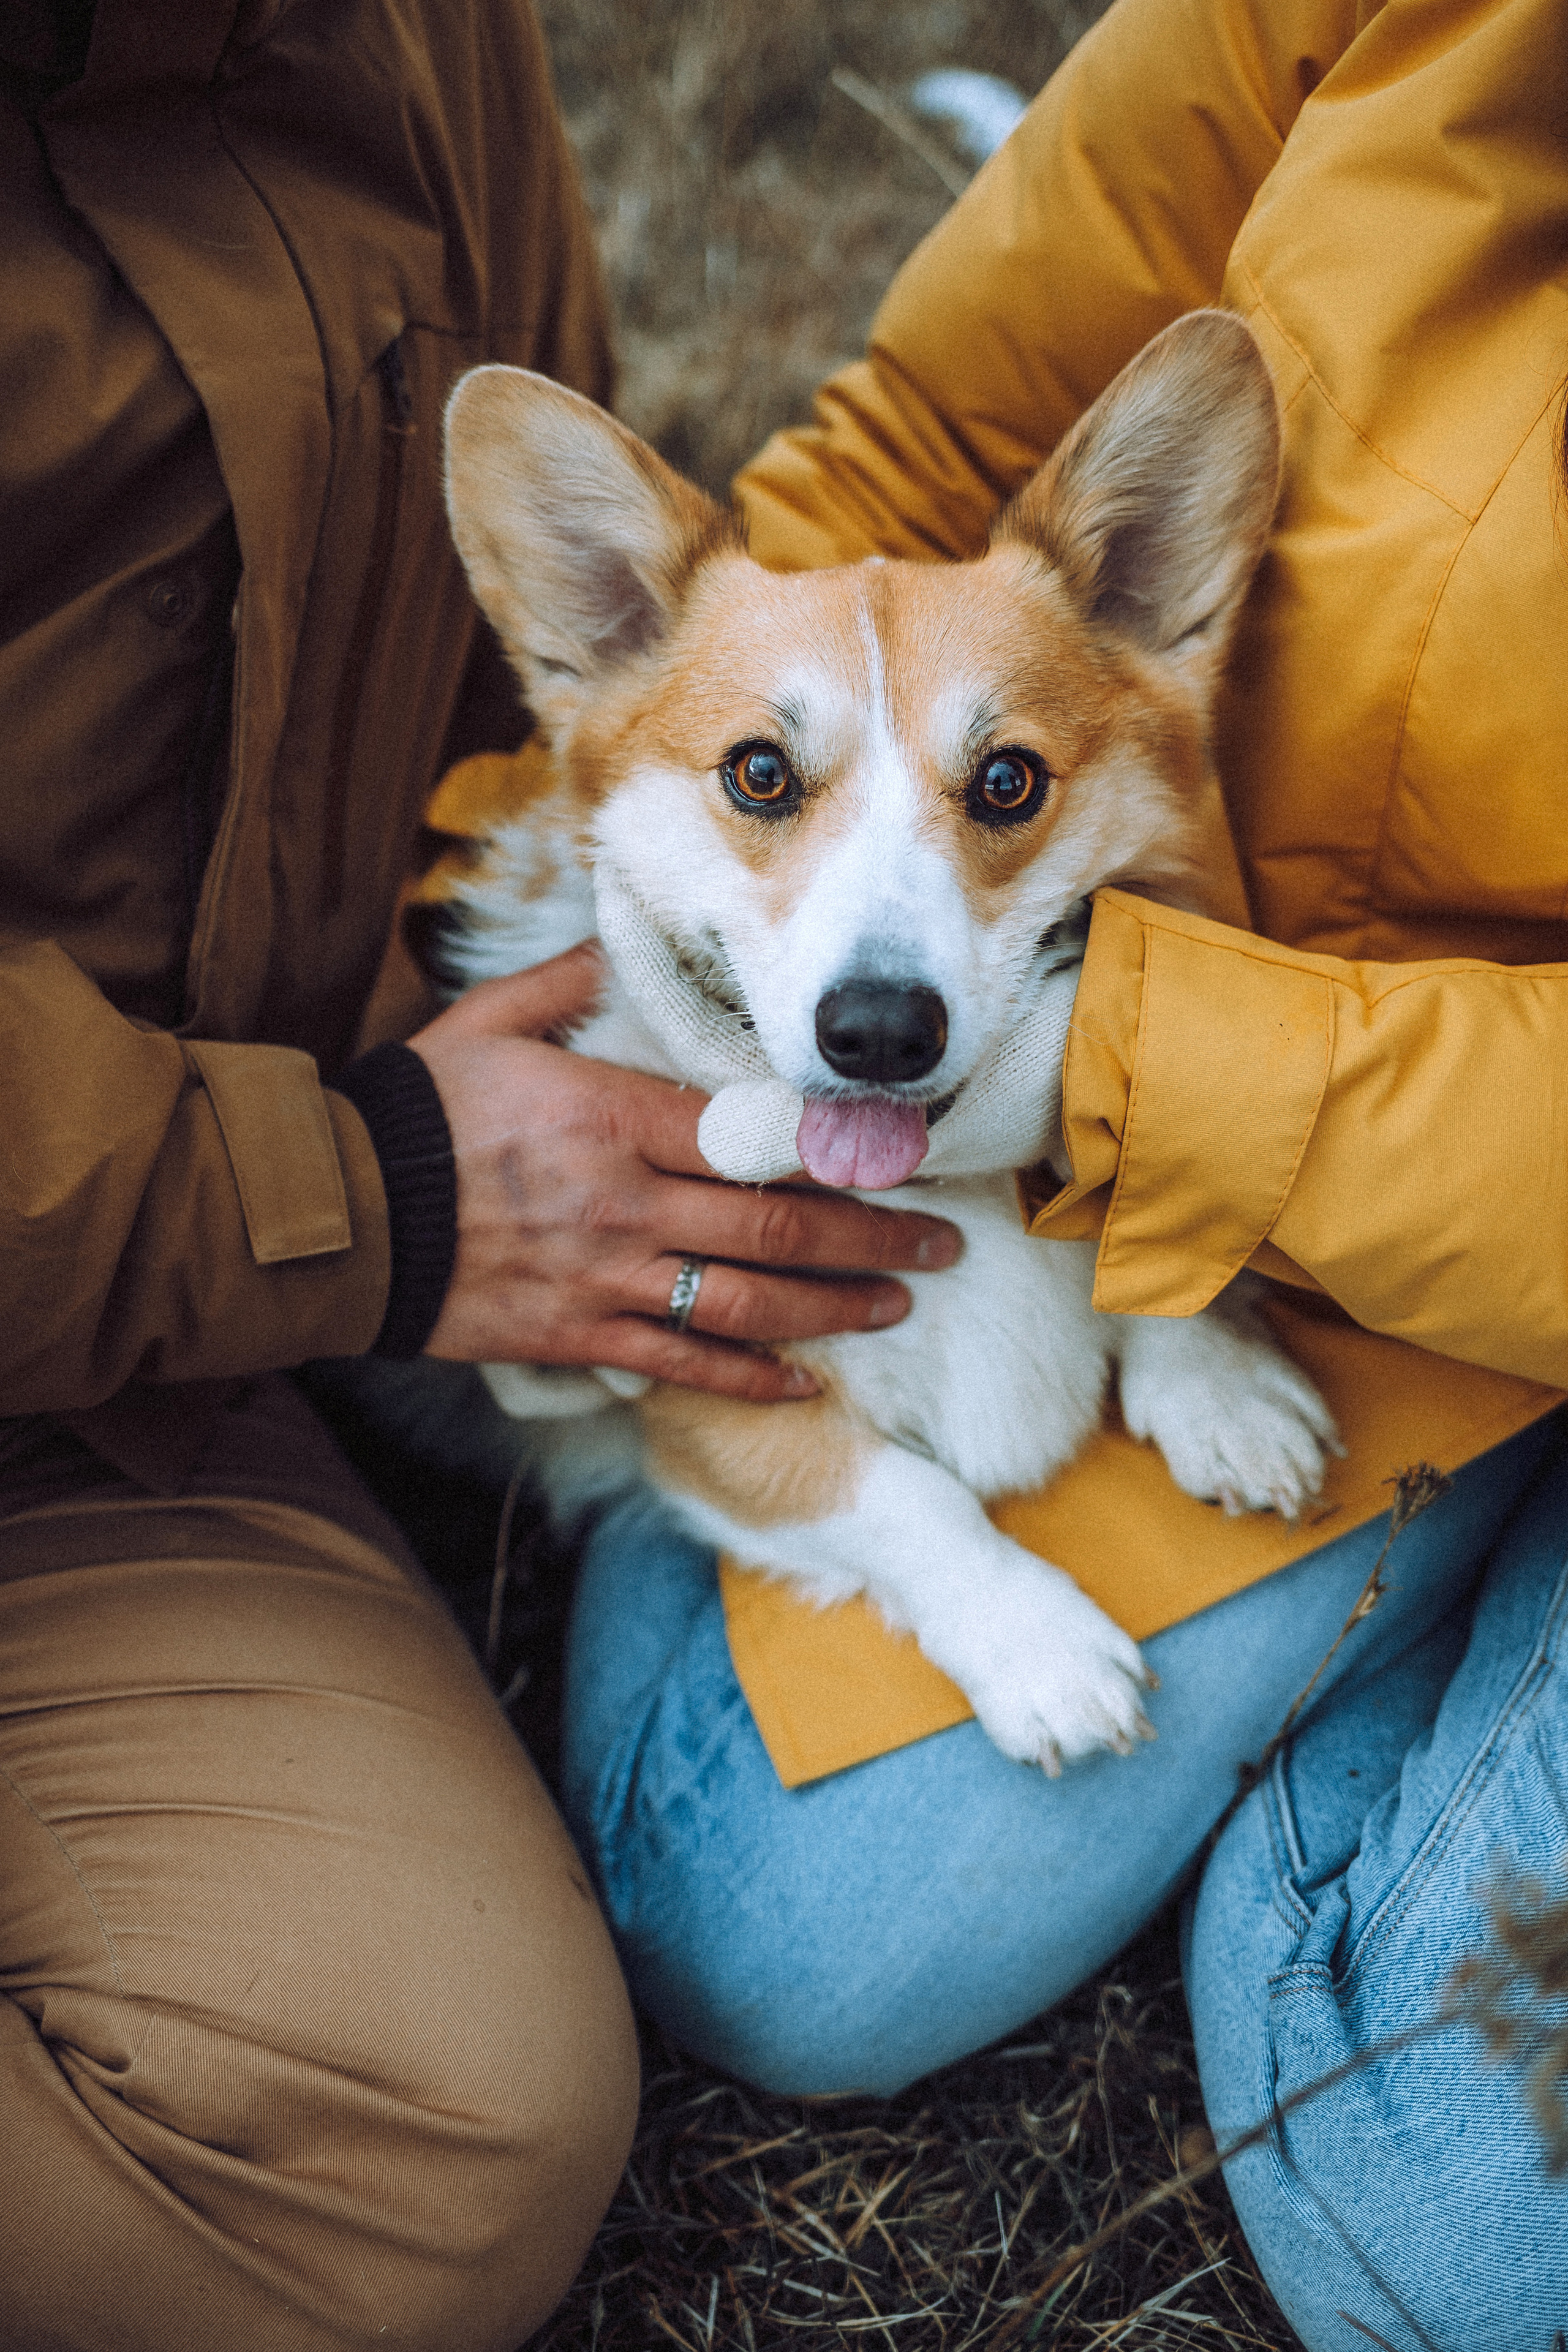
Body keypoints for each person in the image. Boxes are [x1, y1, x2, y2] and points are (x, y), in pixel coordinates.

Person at [553, 0, 1568, 2345]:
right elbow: (920, 438)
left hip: (1240, 1153)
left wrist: (1164, 1094)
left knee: (1426, 2197)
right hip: (1142, 1148)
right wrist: (522, 892)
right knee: (777, 1911)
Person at [0, 7, 960, 2349]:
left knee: (436, 2127)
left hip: (102, 1376)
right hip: (212, 1226)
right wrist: (363, 1199)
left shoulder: (409, 32)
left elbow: (525, 624)